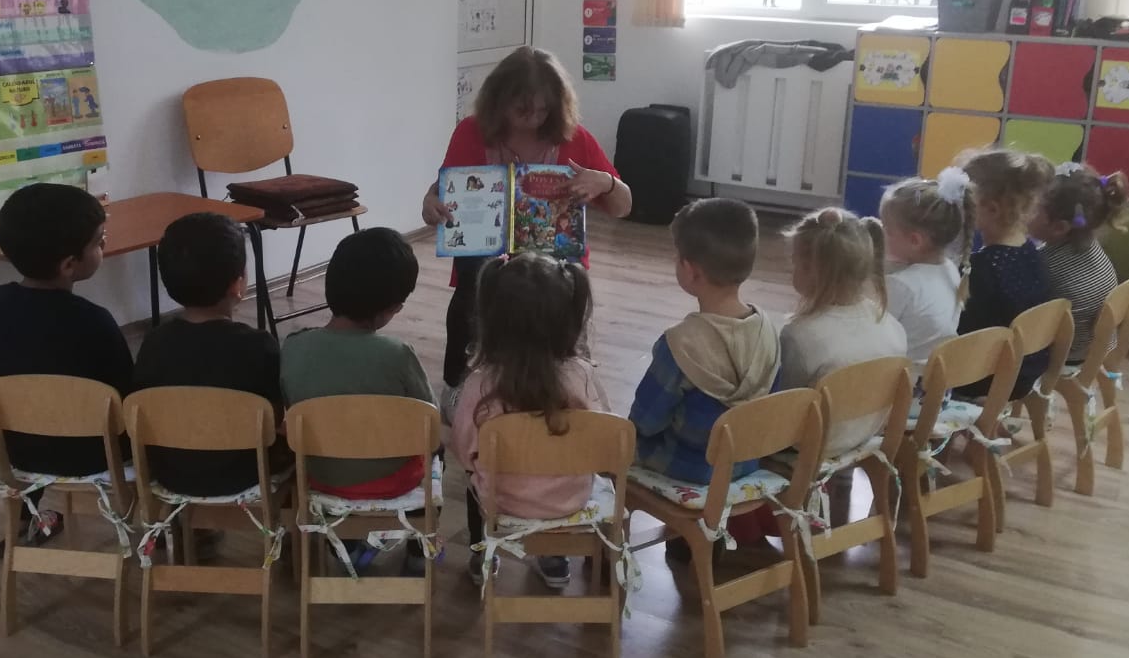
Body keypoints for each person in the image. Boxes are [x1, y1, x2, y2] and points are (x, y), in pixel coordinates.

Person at [422, 47, 632, 400]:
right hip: (486, 259)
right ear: (499, 101)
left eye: (543, 110)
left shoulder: (574, 138)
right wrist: (431, 202)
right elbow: (447, 187)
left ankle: (563, 381)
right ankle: (460, 386)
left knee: (557, 290)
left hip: (553, 260)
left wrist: (606, 183)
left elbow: (624, 206)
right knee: (473, 289)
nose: (533, 119)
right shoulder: (471, 132)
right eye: (522, 109)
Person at [0, 182, 132, 549]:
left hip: (21, 451)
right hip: (97, 454)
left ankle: (26, 517)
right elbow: (126, 397)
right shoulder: (94, 321)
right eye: (99, 241)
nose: (104, 245)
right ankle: (183, 527)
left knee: (37, 406)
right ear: (68, 265)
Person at [448, 254, 609, 589]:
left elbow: (464, 451)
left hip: (502, 501)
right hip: (571, 499)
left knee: (474, 474)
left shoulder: (480, 384)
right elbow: (604, 438)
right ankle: (553, 558)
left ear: (491, 319)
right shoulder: (581, 376)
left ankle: (481, 554)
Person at [281, 228, 435, 574]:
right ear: (392, 308)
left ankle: (348, 545)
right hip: (392, 479)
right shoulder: (398, 354)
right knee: (436, 455)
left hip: (321, 477)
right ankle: (417, 555)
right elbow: (429, 423)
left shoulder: (294, 347)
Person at [628, 198, 780, 484]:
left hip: (689, 467)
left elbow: (645, 421)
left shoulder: (680, 345)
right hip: (747, 463)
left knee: (612, 446)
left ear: (690, 270)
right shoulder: (768, 328)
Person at [133, 213, 281, 497]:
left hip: (170, 473)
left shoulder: (153, 342)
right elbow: (273, 419)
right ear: (237, 285)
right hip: (244, 475)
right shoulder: (259, 346)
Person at [780, 207, 907, 454]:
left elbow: (786, 407)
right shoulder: (892, 325)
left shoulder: (798, 336)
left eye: (795, 263)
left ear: (813, 271)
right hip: (866, 435)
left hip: (812, 448)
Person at [957, 148, 1055, 397]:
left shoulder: (982, 268)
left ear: (992, 209)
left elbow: (958, 333)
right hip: (1026, 371)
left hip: (989, 378)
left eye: (964, 200)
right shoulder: (1031, 251)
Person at [1031, 163, 1129, 363]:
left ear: (1059, 227)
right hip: (1096, 349)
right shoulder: (1090, 245)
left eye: (1032, 207)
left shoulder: (1045, 264)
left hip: (1065, 358)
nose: (1025, 211)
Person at [879, 169, 974, 370]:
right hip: (935, 379)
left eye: (887, 229)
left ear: (915, 241)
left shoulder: (901, 285)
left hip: (900, 381)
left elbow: (873, 339)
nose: (882, 234)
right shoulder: (950, 269)